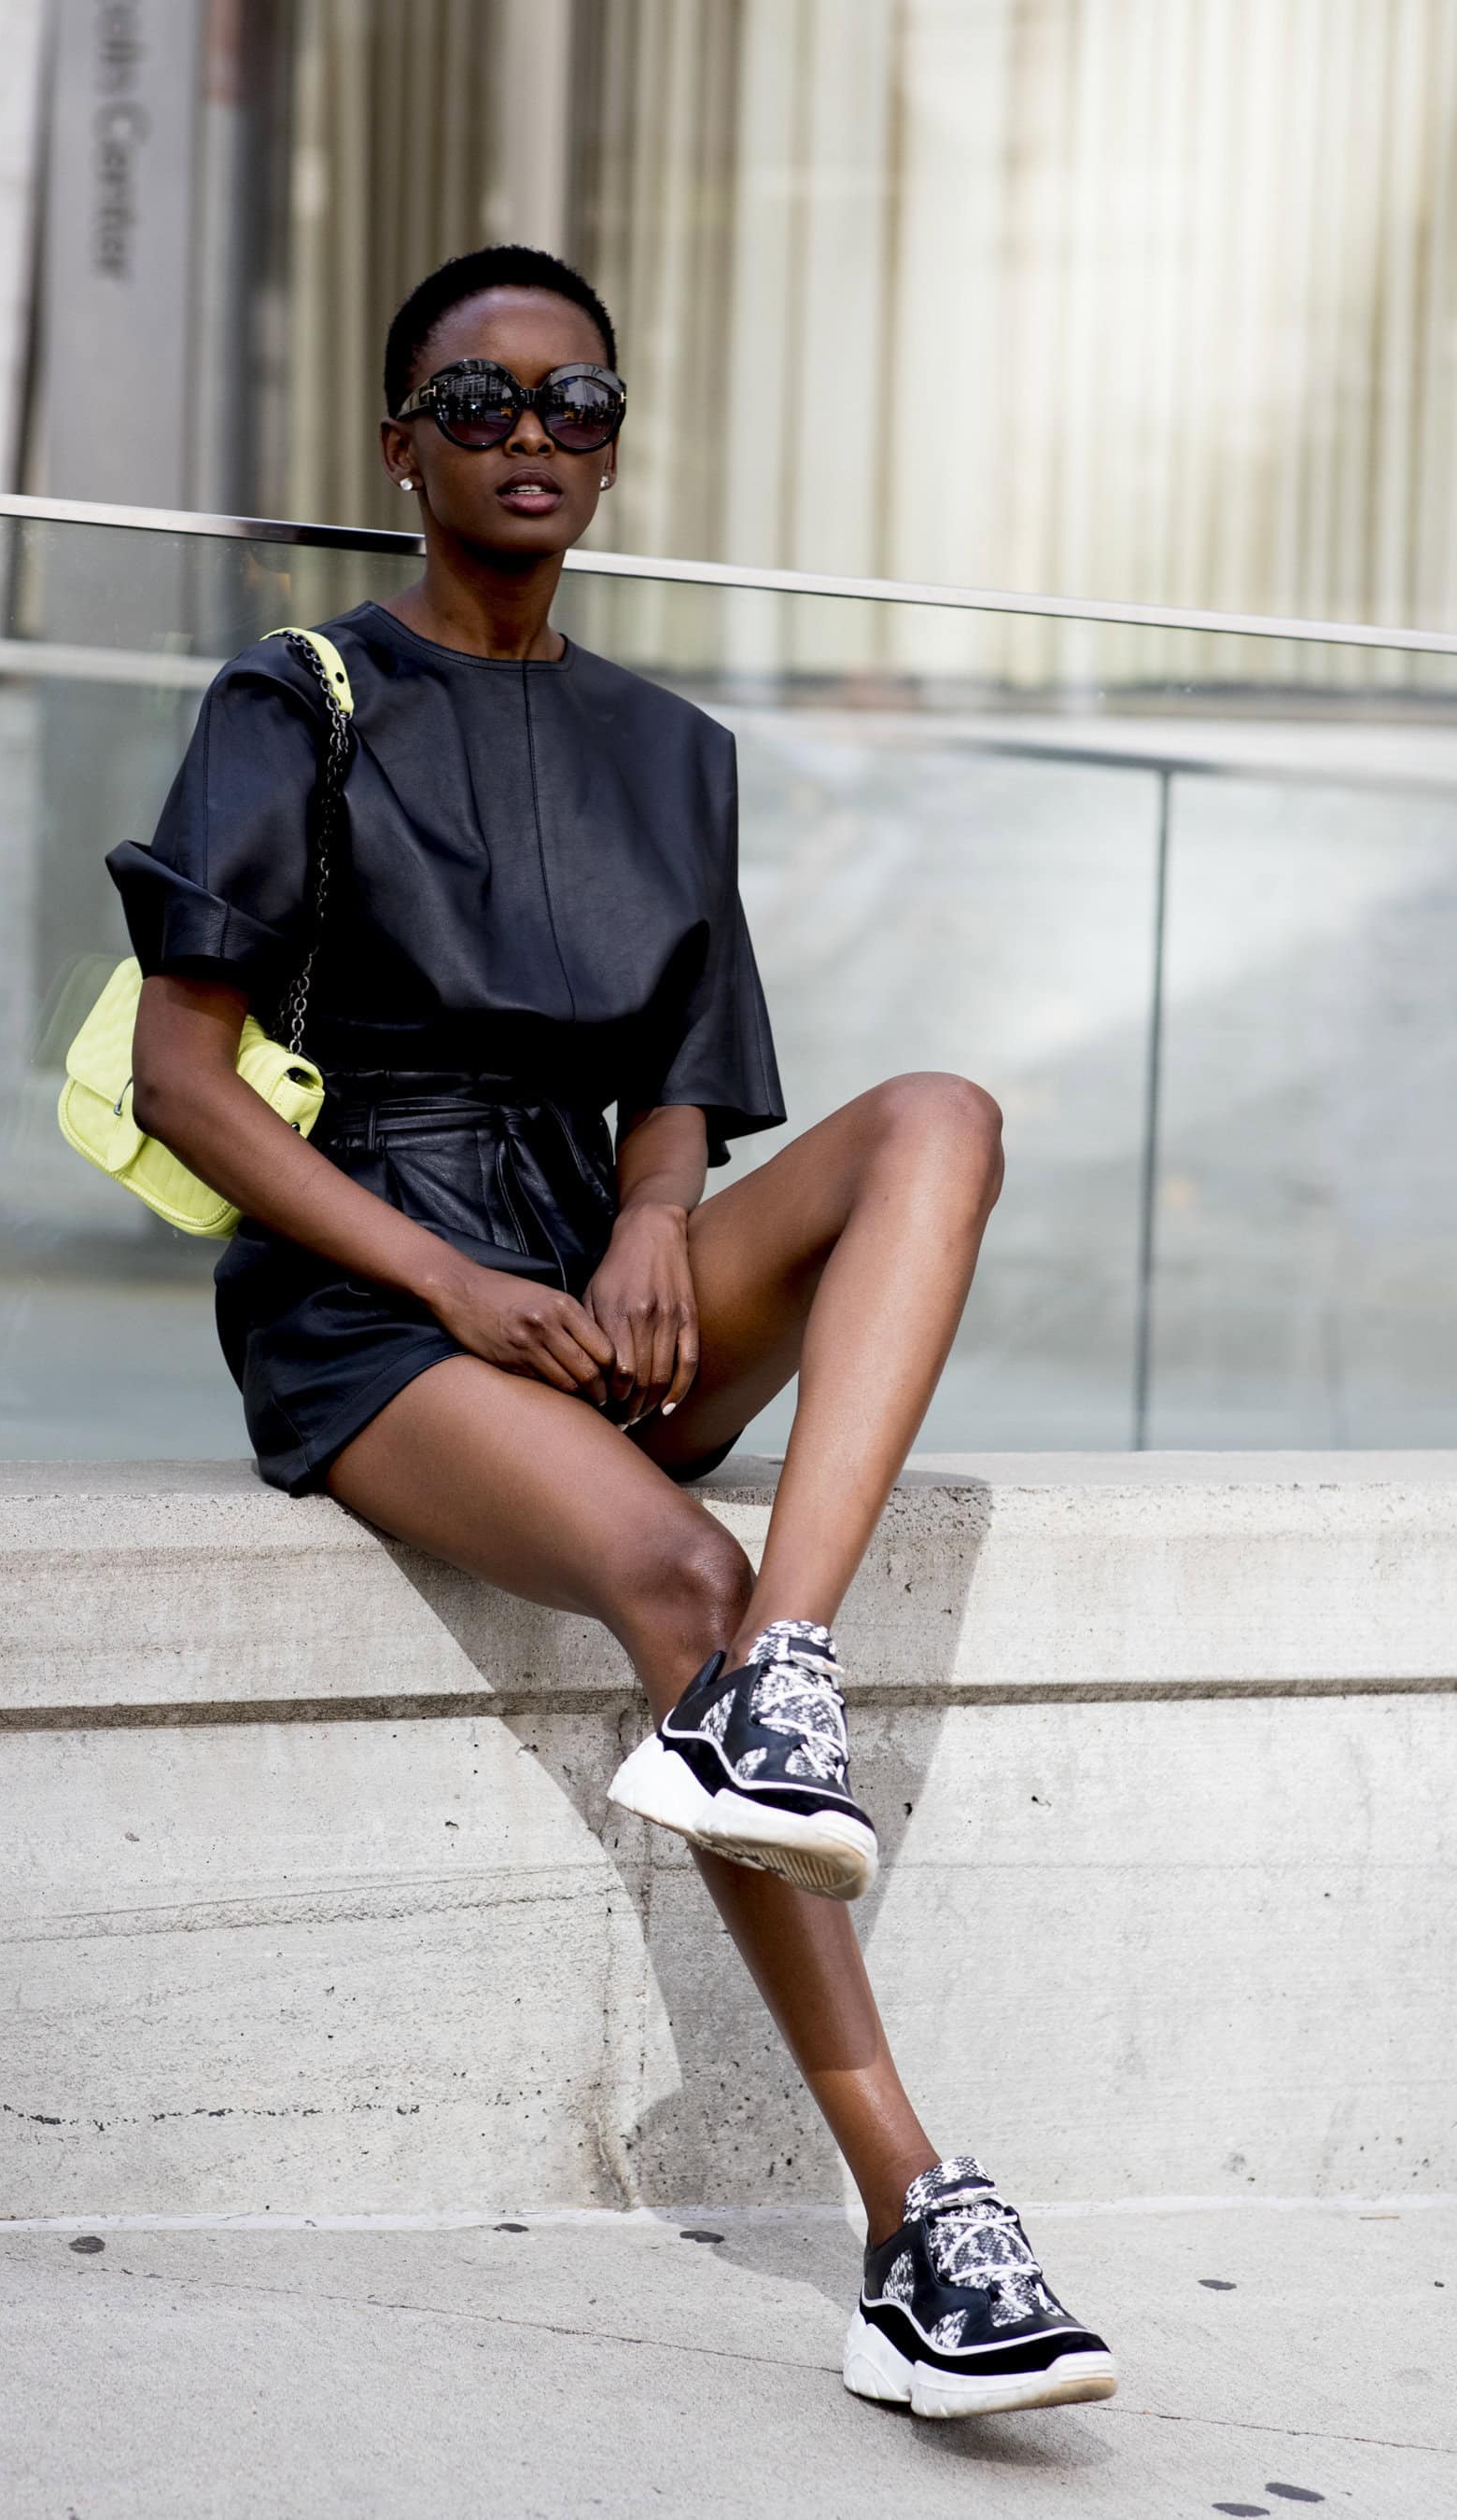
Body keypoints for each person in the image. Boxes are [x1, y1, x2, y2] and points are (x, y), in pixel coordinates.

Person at [108, 245, 1116, 2421]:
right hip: (374, 1300)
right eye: (479, 402)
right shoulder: (294, 699)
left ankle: (787, 1681)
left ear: (615, 445)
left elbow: (683, 1075)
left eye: (575, 403)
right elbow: (185, 1081)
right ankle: (914, 2216)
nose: (532, 437)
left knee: (938, 1117)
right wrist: (447, 1278)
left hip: (593, 1255)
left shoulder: (676, 749)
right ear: (401, 445)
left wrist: (659, 1211)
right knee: (678, 1571)